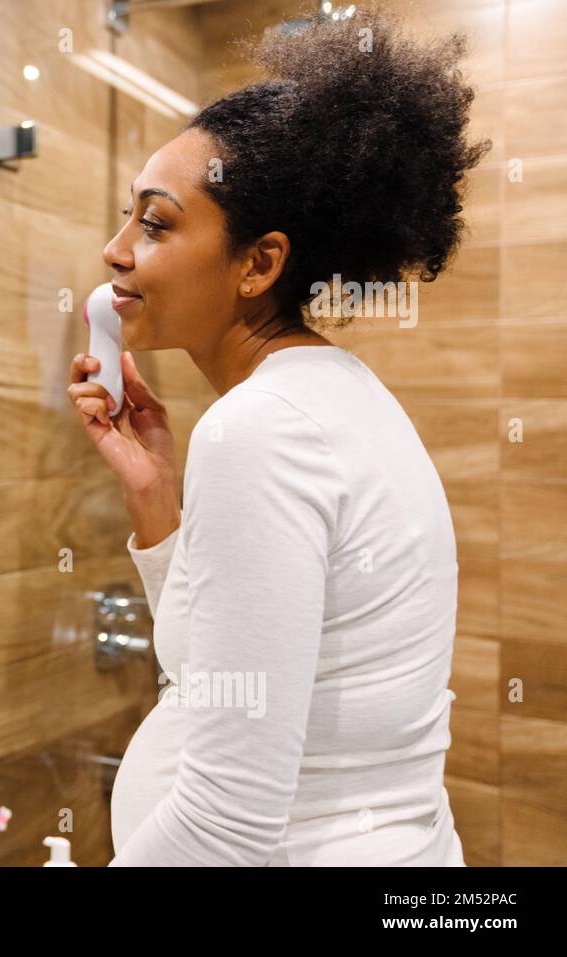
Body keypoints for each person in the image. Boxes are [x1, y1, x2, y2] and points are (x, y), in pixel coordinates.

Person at [69, 13, 490, 865]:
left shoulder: (261, 428)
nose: (115, 252)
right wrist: (156, 496)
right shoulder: (331, 397)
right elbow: (233, 668)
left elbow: (226, 827)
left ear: (258, 264)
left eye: (154, 224)